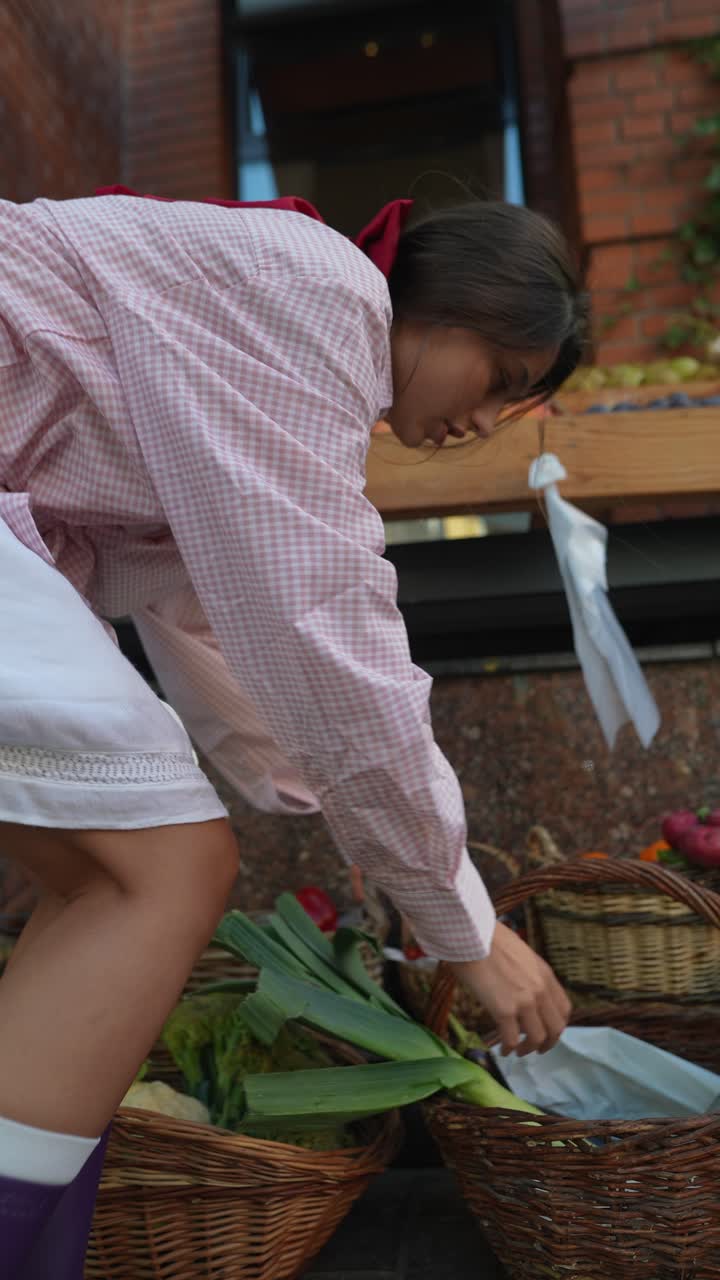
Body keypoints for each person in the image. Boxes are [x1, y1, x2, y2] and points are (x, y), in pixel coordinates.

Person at [0, 187, 587, 1276]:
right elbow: (320, 624)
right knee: (160, 868)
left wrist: (369, 840)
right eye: (502, 378)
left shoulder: (263, 328)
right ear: (454, 301)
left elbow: (211, 638)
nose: (487, 420)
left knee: (94, 870)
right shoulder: (320, 291)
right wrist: (459, 916)